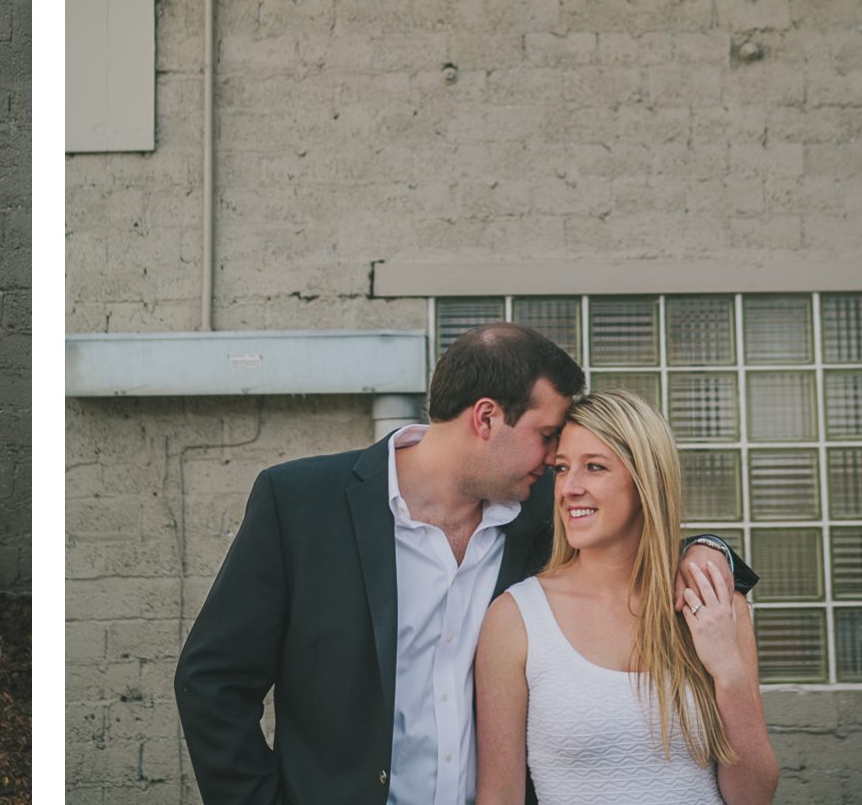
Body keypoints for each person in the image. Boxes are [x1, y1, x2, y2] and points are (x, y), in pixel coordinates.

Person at [173, 322, 755, 805]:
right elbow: (212, 682)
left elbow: (637, 524)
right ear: (485, 419)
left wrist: (709, 548)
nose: (559, 462)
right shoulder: (300, 502)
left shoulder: (539, 512)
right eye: (548, 435)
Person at [475, 391, 778, 804]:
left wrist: (728, 671)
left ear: (646, 481)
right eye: (562, 469)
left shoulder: (712, 602)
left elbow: (755, 796)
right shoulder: (516, 618)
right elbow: (499, 796)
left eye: (595, 467)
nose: (569, 488)